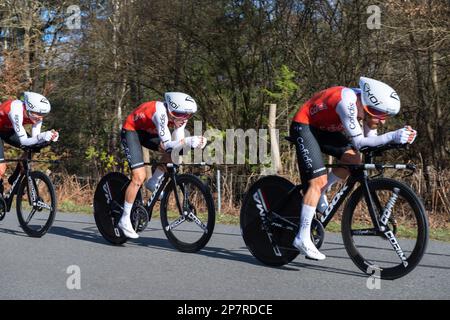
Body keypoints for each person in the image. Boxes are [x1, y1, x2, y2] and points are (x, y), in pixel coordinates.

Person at [290, 77, 417, 260]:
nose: (382, 122)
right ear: (367, 107)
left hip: (325, 131)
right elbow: (360, 142)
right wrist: (392, 136)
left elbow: (369, 144)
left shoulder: (365, 108)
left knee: (354, 159)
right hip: (305, 125)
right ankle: (302, 237)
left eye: (385, 117)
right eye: (380, 115)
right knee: (317, 181)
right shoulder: (347, 102)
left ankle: (322, 192)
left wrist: (401, 140)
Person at [119, 92, 207, 239]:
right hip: (132, 131)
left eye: (188, 115)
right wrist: (188, 141)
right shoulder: (160, 113)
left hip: (147, 132)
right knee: (139, 176)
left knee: (174, 153)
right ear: (172, 111)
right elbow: (167, 145)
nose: (184, 119)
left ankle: (153, 182)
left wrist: (194, 144)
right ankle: (124, 219)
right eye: (182, 115)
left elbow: (176, 147)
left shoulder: (180, 117)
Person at [0, 92, 59, 193]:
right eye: (38, 114)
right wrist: (42, 136)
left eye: (43, 115)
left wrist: (49, 138)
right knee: (1, 168)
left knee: (33, 147)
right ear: (28, 109)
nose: (40, 118)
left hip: (8, 130)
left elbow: (35, 139)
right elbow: (24, 141)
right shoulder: (15, 111)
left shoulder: (35, 114)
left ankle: (15, 179)